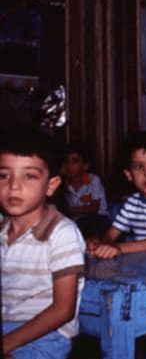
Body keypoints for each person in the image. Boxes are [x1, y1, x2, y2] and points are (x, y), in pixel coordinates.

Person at [1, 128, 86, 358]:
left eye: (29, 176)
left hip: (45, 336)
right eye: (3, 175)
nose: (14, 185)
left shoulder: (62, 233)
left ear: (51, 185)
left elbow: (63, 309)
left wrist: (5, 344)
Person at [60, 141, 110, 238]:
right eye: (66, 160)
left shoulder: (93, 180)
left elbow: (94, 208)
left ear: (85, 166)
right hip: (77, 220)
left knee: (86, 225)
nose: (69, 165)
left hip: (98, 218)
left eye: (75, 161)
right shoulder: (63, 184)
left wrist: (70, 210)